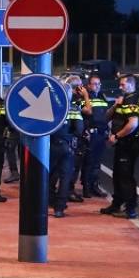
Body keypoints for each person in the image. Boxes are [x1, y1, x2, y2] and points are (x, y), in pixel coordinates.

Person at [100, 74, 139, 219]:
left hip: (129, 143)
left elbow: (133, 124)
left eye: (123, 84)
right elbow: (107, 116)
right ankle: (116, 204)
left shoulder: (132, 100)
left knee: (125, 176)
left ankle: (130, 208)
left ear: (131, 85)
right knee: (118, 175)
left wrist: (117, 136)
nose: (120, 87)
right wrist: (115, 105)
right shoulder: (123, 100)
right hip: (122, 144)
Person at [49, 83, 83, 218]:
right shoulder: (74, 109)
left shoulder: (50, 108)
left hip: (50, 146)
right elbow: (79, 130)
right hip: (67, 147)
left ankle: (49, 201)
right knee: (65, 177)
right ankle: (59, 208)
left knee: (47, 175)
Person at [80, 74, 111, 198]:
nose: (97, 86)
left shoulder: (102, 97)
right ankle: (86, 188)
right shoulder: (82, 98)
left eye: (99, 84)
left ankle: (94, 185)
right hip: (90, 134)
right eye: (94, 84)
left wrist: (110, 130)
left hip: (101, 133)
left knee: (97, 162)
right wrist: (86, 96)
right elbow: (88, 111)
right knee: (88, 162)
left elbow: (106, 115)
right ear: (88, 85)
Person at [66, 75, 87, 203]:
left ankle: (55, 194)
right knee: (71, 168)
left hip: (63, 138)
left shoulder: (62, 99)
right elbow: (88, 111)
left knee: (61, 169)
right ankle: (68, 192)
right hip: (72, 140)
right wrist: (85, 96)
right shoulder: (76, 101)